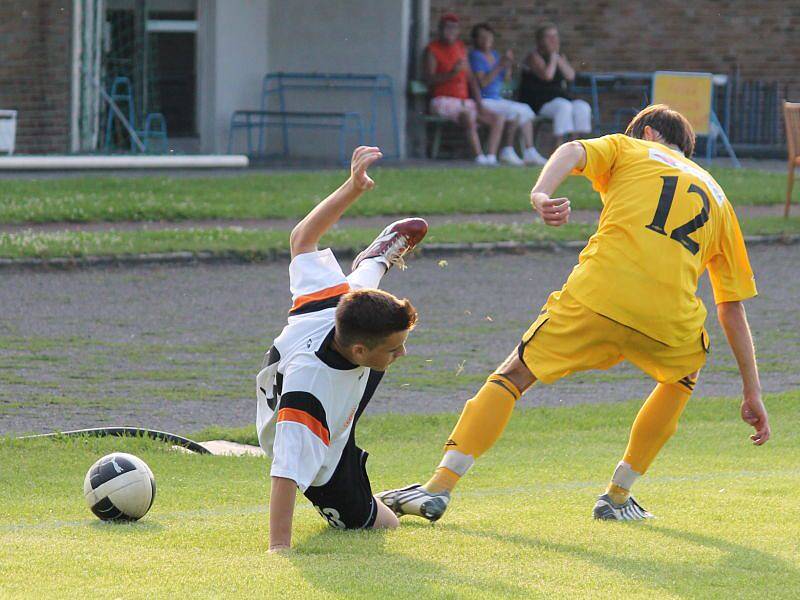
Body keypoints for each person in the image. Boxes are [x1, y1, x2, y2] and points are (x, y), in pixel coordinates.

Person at [378, 105, 770, 523]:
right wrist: (752, 391)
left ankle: (439, 487)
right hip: (669, 321)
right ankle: (618, 496)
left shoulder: (630, 147)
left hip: (598, 295)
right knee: (681, 378)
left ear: (649, 134)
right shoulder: (720, 198)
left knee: (513, 377)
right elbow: (730, 306)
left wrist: (540, 194)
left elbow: (570, 149)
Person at [257, 146, 428, 551]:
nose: (402, 354)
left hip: (343, 351)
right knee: (379, 525)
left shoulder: (330, 303)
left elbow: (302, 238)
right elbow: (284, 475)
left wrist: (352, 188)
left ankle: (377, 259)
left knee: (358, 292)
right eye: (393, 349)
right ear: (357, 350)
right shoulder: (309, 401)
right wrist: (278, 549)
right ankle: (386, 503)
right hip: (325, 438)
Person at [425, 13, 505, 165]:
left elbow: (471, 79)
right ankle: (479, 157)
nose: (450, 32)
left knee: (497, 118)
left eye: (454, 28)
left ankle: (491, 157)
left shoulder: (460, 48)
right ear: (440, 29)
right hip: (442, 100)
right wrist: (451, 73)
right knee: (468, 115)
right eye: (447, 28)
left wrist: (479, 103)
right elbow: (429, 80)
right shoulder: (432, 50)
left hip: (464, 101)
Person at [468, 22, 547, 166]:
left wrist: (508, 65)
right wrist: (499, 66)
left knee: (523, 111)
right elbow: (483, 83)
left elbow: (506, 79)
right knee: (520, 111)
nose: (486, 41)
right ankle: (512, 150)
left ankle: (526, 151)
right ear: (476, 40)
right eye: (482, 37)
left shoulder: (494, 55)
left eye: (489, 37)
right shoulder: (476, 56)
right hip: (484, 100)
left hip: (497, 99)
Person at [518, 22, 592, 147]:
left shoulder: (558, 56)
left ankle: (575, 144)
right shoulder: (533, 56)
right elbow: (547, 76)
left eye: (555, 36)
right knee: (563, 106)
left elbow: (570, 76)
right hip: (539, 102)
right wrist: (553, 57)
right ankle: (559, 146)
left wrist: (557, 58)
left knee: (582, 106)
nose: (554, 40)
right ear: (540, 41)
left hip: (560, 99)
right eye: (549, 37)